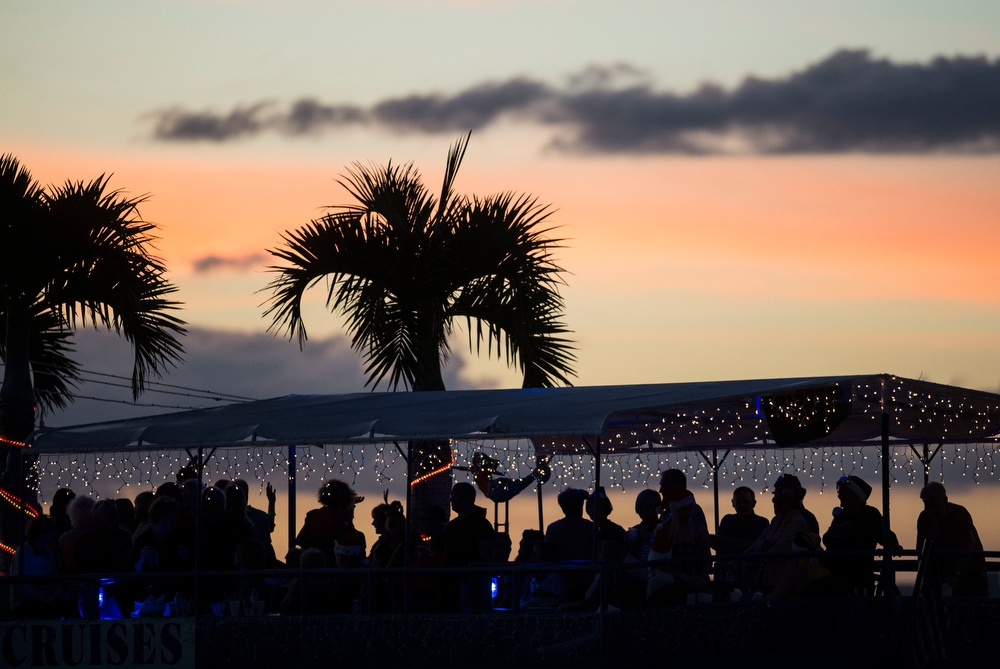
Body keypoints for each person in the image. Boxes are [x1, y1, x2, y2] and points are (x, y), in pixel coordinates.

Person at [916, 481, 987, 597]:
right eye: (929, 508)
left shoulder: (960, 515)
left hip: (970, 573)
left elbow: (967, 550)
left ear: (945, 500)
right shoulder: (924, 518)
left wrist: (955, 574)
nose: (933, 512)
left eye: (936, 507)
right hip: (941, 573)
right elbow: (921, 552)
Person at [820, 475, 886, 595]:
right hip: (833, 577)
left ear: (856, 495)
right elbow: (828, 538)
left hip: (856, 578)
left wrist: (893, 544)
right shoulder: (840, 516)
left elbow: (885, 535)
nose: (839, 496)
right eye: (839, 492)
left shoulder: (870, 515)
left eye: (844, 492)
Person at [746, 474, 810, 595]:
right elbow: (756, 545)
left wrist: (765, 547)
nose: (773, 499)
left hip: (783, 588)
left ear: (786, 497)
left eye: (776, 495)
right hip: (768, 582)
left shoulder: (797, 523)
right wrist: (765, 546)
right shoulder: (777, 520)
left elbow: (777, 551)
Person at [443, 482, 497, 612]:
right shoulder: (451, 526)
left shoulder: (481, 525)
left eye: (455, 497)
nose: (452, 501)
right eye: (451, 497)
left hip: (472, 581)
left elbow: (486, 556)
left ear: (468, 499)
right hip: (453, 580)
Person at [711, 486, 769, 599]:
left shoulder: (761, 523)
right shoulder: (727, 520)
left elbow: (756, 548)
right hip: (728, 575)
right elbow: (718, 544)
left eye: (746, 502)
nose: (742, 505)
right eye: (739, 502)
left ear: (754, 503)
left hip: (753, 574)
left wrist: (726, 542)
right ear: (733, 503)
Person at [295, 479, 366, 564]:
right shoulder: (342, 520)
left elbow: (300, 540)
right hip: (334, 563)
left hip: (313, 562)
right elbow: (351, 542)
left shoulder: (313, 514)